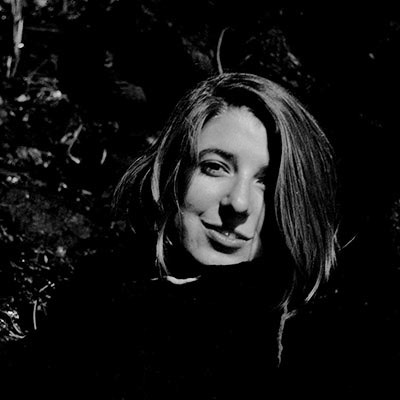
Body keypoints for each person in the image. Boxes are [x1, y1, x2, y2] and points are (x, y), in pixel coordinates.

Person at [4, 72, 338, 399]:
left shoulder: (296, 346)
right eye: (215, 167)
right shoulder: (100, 287)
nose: (238, 203)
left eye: (267, 181)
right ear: (174, 171)